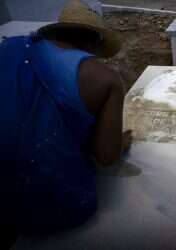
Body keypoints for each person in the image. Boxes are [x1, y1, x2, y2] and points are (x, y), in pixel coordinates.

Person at [0, 0, 131, 234]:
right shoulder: (105, 79)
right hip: (50, 202)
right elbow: (106, 156)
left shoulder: (9, 50)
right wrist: (119, 143)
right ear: (95, 43)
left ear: (55, 33)